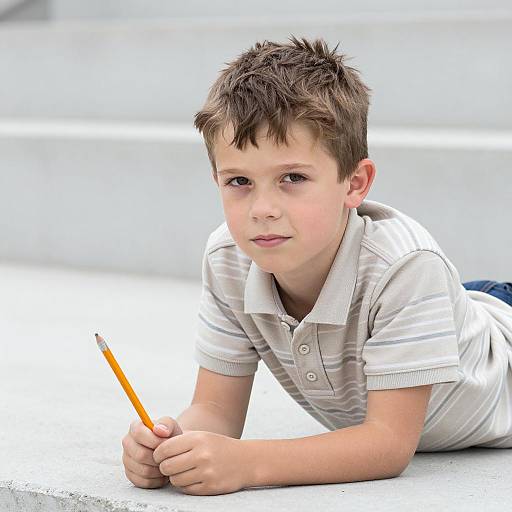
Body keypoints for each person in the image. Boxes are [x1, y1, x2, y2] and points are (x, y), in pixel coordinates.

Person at [121, 36, 512, 496]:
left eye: (293, 178)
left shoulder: (406, 267)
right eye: (240, 182)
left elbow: (387, 445)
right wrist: (173, 445)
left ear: (356, 182)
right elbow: (215, 412)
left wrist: (247, 465)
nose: (262, 208)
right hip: (443, 310)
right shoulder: (228, 259)